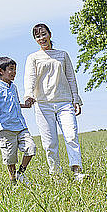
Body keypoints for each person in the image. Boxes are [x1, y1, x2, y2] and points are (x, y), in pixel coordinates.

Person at [23, 23, 87, 182]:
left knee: (71, 136)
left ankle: (77, 172)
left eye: (43, 34)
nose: (41, 38)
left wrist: (76, 99)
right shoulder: (33, 58)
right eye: (38, 36)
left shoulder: (62, 55)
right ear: (35, 39)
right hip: (43, 104)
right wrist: (29, 95)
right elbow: (30, 78)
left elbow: (71, 78)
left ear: (49, 34)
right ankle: (56, 175)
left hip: (64, 102)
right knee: (50, 143)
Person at [0, 56, 36, 186]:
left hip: (21, 126)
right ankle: (13, 181)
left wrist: (26, 105)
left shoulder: (14, 87)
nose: (14, 72)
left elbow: (14, 103)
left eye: (15, 69)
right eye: (11, 69)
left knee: (31, 148)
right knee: (10, 157)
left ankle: (21, 172)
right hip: (6, 128)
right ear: (1, 71)